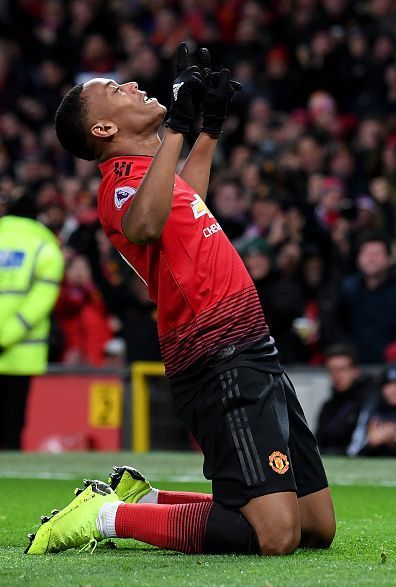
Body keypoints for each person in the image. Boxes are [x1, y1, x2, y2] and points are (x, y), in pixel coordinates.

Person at [26, 44, 335, 556]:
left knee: (314, 525)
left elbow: (184, 201)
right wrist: (176, 127)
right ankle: (106, 517)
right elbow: (146, 225)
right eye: (113, 89)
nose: (129, 85)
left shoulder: (151, 174)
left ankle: (145, 500)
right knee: (275, 536)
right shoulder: (118, 183)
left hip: (252, 345)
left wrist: (207, 128)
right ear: (103, 130)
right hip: (217, 357)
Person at [0, 190, 64, 449]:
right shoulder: (44, 246)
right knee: (14, 422)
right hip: (22, 351)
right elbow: (42, 299)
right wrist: (7, 336)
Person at [334, 232, 396, 363]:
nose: (371, 259)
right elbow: (336, 324)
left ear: (389, 259)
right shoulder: (347, 289)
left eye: (377, 254)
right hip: (354, 365)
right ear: (358, 259)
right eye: (367, 253)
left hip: (390, 366)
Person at [316, 344, 376, 455]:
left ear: (355, 371)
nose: (336, 375)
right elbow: (318, 442)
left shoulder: (369, 403)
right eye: (332, 370)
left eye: (342, 369)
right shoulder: (327, 405)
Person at [347, 364, 396, 457]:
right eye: (389, 385)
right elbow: (353, 452)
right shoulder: (371, 410)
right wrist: (371, 443)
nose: (394, 390)